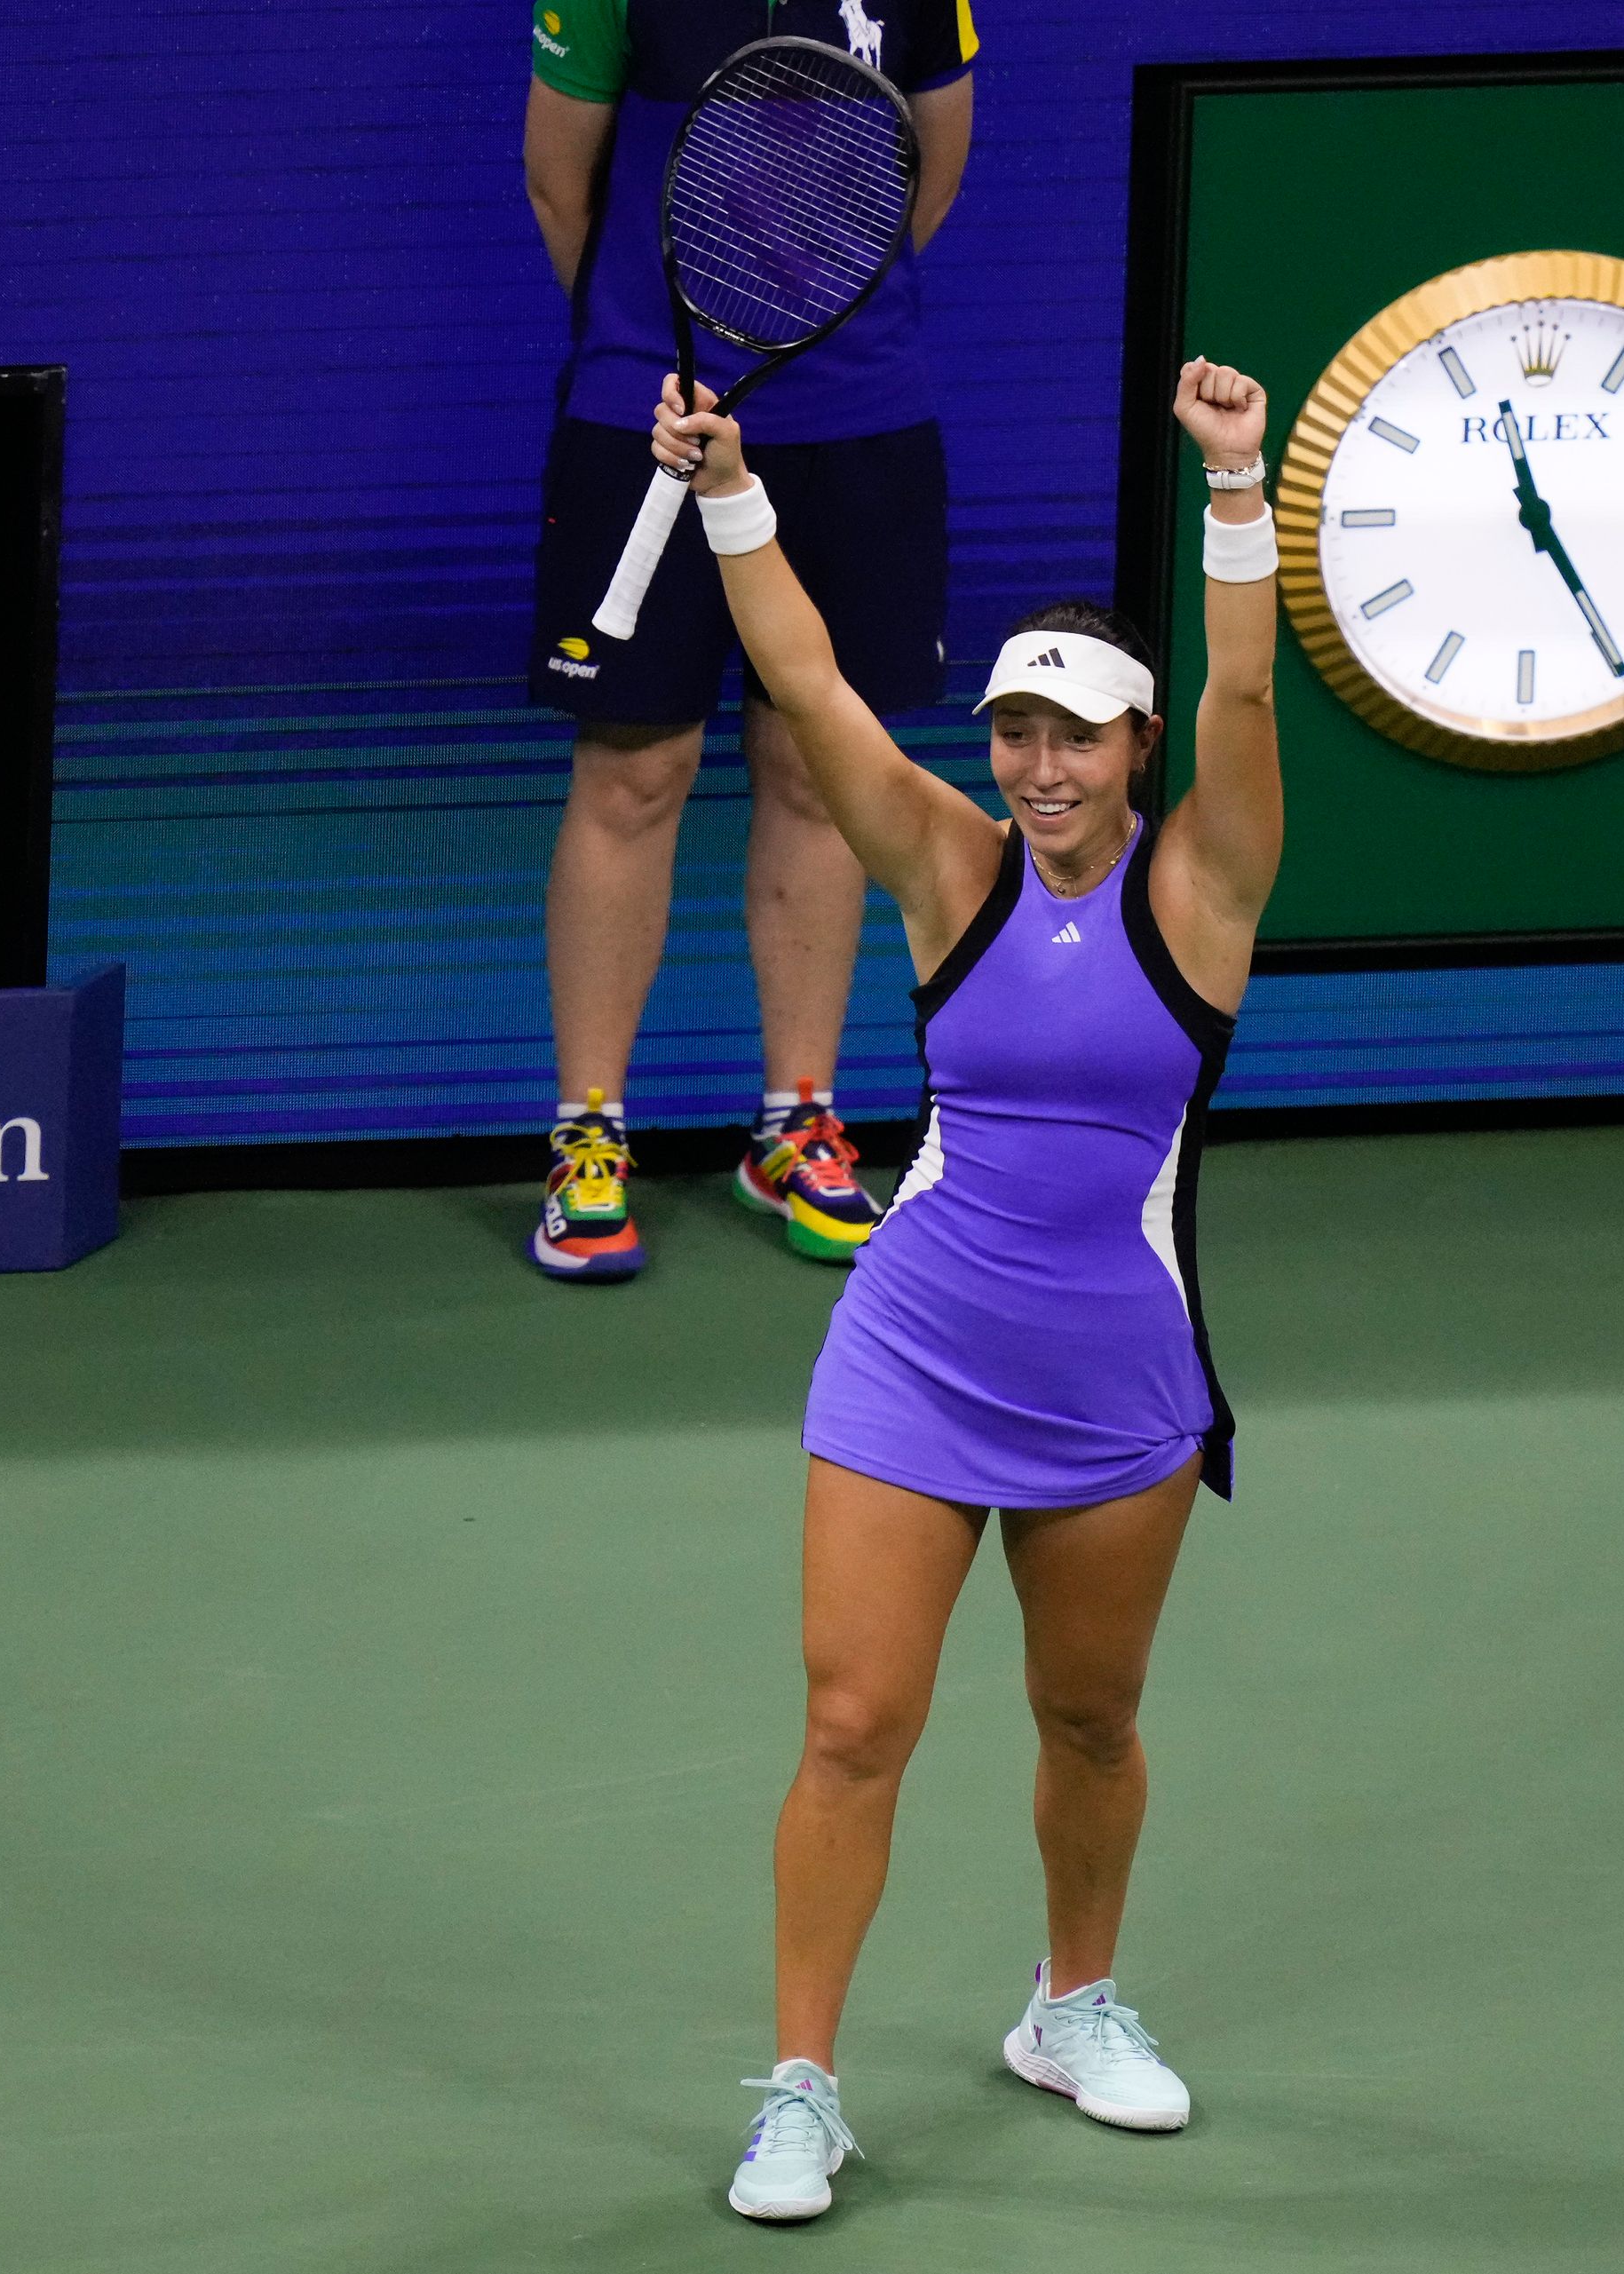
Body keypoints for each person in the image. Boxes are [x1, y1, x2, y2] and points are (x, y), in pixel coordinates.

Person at [644, 355, 1281, 2220]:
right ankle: (800, 2091)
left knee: (1089, 1719)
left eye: (1076, 735)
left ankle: (1071, 2007)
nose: (1042, 766)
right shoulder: (950, 870)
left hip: (1117, 1387)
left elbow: (1247, 682)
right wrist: (728, 493)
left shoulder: (1210, 888)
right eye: (1017, 731)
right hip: (915, 1356)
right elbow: (810, 685)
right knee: (854, 1724)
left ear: (1138, 749)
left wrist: (1234, 490)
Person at [519, 0, 978, 1280]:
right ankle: (589, 1133)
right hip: (647, 407)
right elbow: (562, 187)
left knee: (819, 770)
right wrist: (652, 349)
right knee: (634, 769)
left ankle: (796, 1119)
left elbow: (929, 171)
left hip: (861, 417)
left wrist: (803, 330)